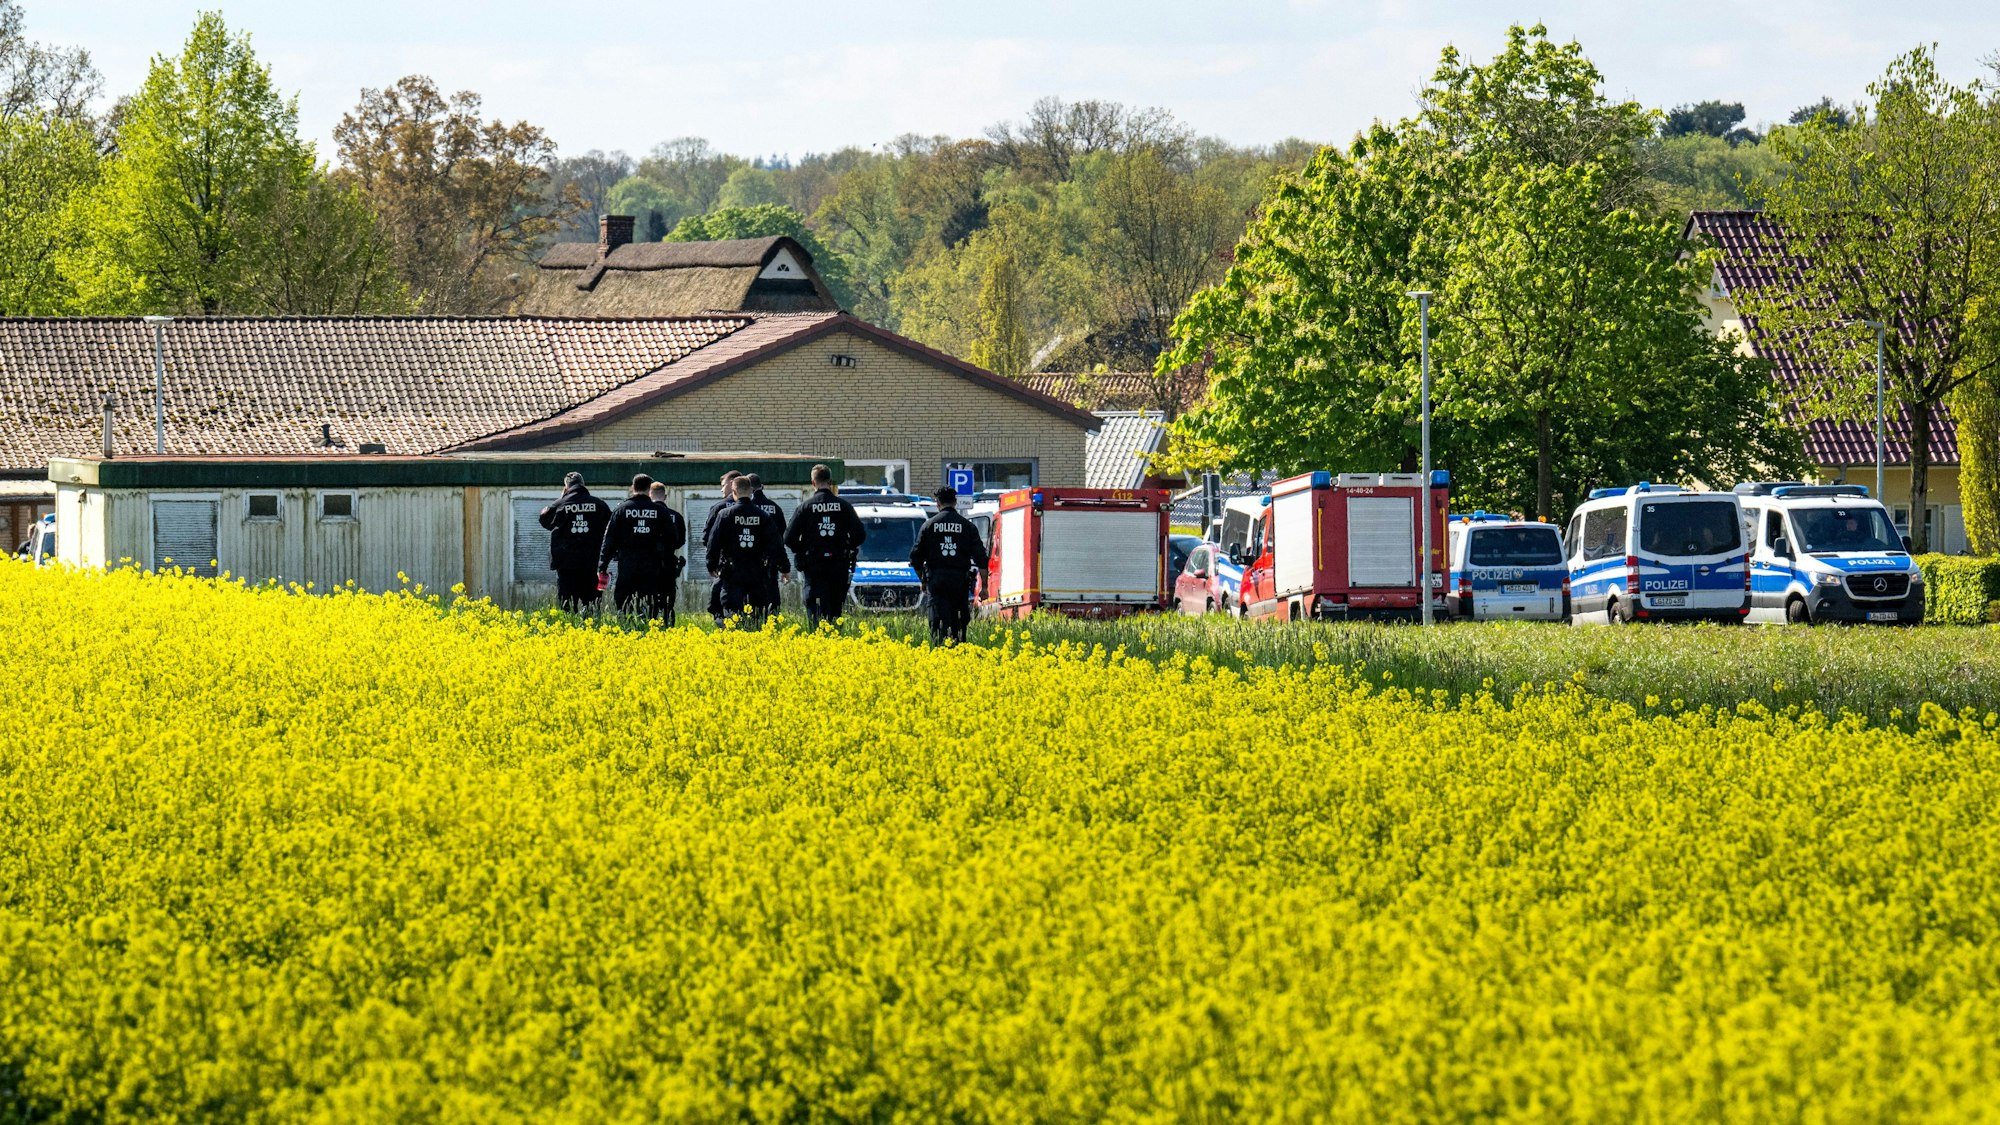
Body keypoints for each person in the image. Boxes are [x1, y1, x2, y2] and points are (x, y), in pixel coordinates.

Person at [785, 464, 867, 629]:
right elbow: (860, 535)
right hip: (838, 565)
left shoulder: (805, 508)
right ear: (830, 482)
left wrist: (803, 549)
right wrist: (845, 545)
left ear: (813, 483)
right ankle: (835, 639)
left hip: (814, 567)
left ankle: (819, 640)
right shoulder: (844, 506)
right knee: (835, 611)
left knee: (816, 613)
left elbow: (788, 538)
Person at [598, 473, 686, 622]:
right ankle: (647, 630)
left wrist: (602, 566)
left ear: (633, 488)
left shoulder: (621, 510)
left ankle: (626, 631)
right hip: (651, 567)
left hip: (627, 565)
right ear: (648, 489)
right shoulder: (660, 511)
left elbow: (609, 540)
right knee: (649, 606)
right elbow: (673, 539)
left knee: (624, 604)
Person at [910, 485, 989, 644]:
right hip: (959, 581)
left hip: (936, 581)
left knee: (938, 622)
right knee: (958, 623)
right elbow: (981, 559)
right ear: (955, 502)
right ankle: (957, 654)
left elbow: (915, 558)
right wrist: (984, 587)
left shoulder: (929, 525)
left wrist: (923, 581)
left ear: (937, 502)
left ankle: (940, 655)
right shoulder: (967, 526)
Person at [706, 475, 782, 625]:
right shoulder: (763, 515)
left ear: (733, 492)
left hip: (732, 573)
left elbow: (712, 542)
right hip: (757, 573)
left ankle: (735, 641)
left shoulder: (724, 515)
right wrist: (784, 567)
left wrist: (711, 564)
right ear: (751, 491)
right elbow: (776, 543)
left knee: (732, 615)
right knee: (757, 617)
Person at [538, 472, 611, 612]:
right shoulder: (599, 505)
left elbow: (545, 521)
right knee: (591, 608)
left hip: (566, 567)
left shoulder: (559, 505)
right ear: (583, 485)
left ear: (566, 487)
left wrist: (562, 498)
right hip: (591, 565)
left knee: (567, 608)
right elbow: (611, 530)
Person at [743, 473, 792, 616]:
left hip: (747, 564)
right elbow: (781, 538)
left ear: (748, 489)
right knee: (771, 603)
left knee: (749, 605)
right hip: (770, 564)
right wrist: (784, 566)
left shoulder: (746, 508)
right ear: (762, 487)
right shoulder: (775, 508)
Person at [703, 471, 741, 625]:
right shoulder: (757, 509)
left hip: (726, 566)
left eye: (723, 485)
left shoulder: (720, 508)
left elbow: (708, 539)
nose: (721, 490)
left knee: (720, 599)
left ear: (733, 484)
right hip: (754, 569)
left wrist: (712, 562)